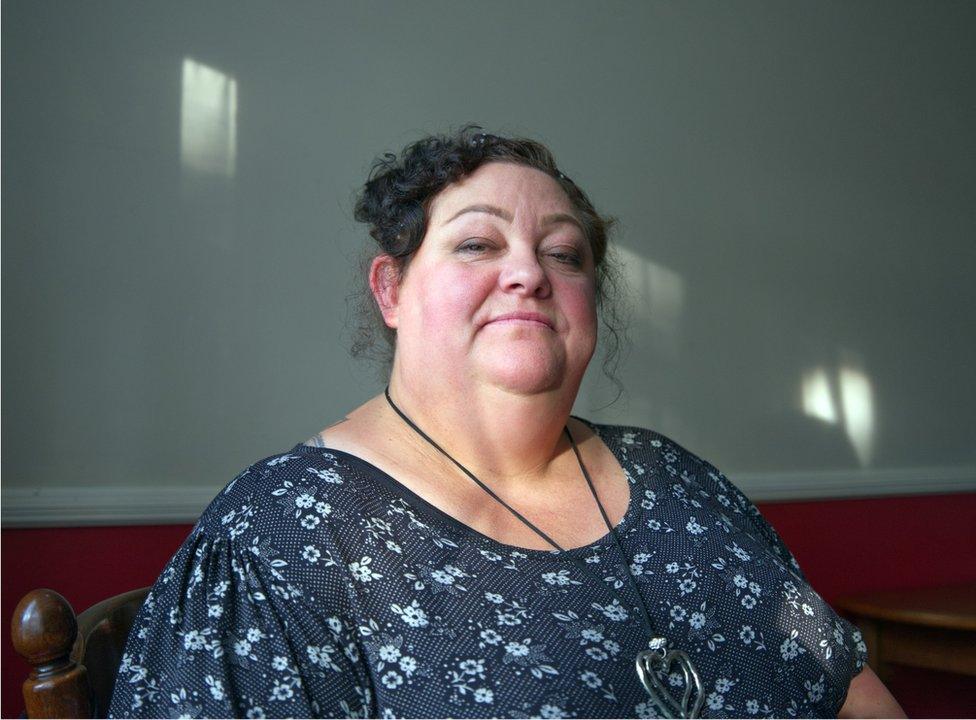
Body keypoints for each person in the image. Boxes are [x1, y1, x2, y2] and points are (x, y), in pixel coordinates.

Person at [110, 127, 904, 719]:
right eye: (478, 243)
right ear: (390, 291)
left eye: (563, 255)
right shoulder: (279, 541)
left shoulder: (679, 483)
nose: (528, 272)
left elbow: (854, 699)